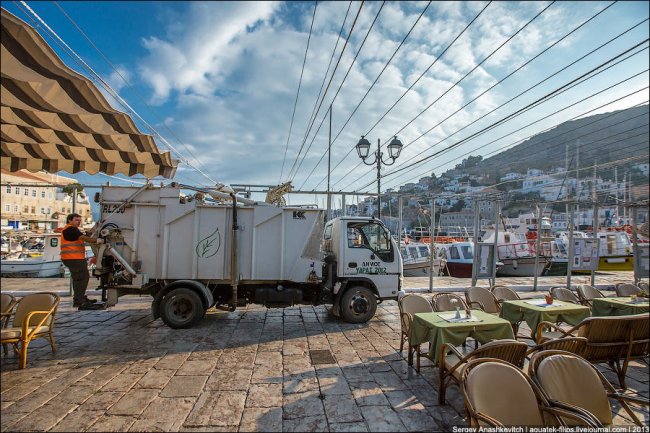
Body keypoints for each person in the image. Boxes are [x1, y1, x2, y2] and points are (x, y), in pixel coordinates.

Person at [60, 213, 104, 310]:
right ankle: (80, 301)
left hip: (71, 258)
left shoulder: (70, 229)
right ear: (70, 220)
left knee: (78, 279)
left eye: (80, 220)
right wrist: (97, 240)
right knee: (83, 278)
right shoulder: (71, 229)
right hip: (73, 258)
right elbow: (83, 238)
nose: (79, 222)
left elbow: (81, 237)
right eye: (76, 220)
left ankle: (80, 299)